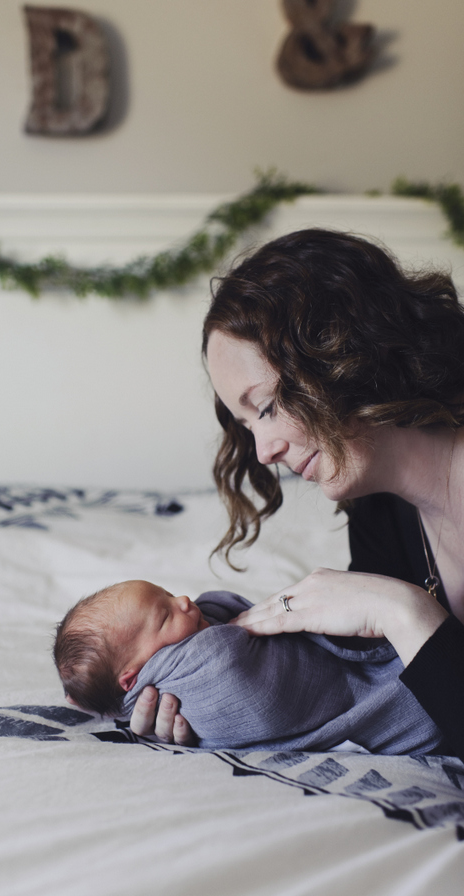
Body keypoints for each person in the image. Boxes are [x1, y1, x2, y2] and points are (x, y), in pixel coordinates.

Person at [130, 228, 464, 761]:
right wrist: (214, 699)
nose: (263, 452)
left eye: (264, 407)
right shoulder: (377, 509)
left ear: (345, 350)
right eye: (246, 427)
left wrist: (402, 611)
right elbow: (374, 694)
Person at [53, 579, 445, 754]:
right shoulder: (206, 669)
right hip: (425, 704)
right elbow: (230, 666)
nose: (186, 601)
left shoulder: (167, 653)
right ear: (131, 678)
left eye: (169, 594)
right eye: (165, 614)